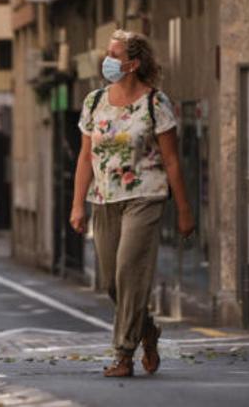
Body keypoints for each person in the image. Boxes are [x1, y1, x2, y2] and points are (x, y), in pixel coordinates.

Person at [70, 29, 194, 378]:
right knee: (111, 281)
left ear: (133, 63)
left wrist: (184, 210)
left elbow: (172, 161)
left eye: (114, 54)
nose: (106, 60)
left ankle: (124, 354)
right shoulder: (95, 102)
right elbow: (84, 158)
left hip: (145, 195)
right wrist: (77, 204)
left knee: (129, 272)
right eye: (107, 53)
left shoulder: (156, 103)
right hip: (105, 199)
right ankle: (147, 330)